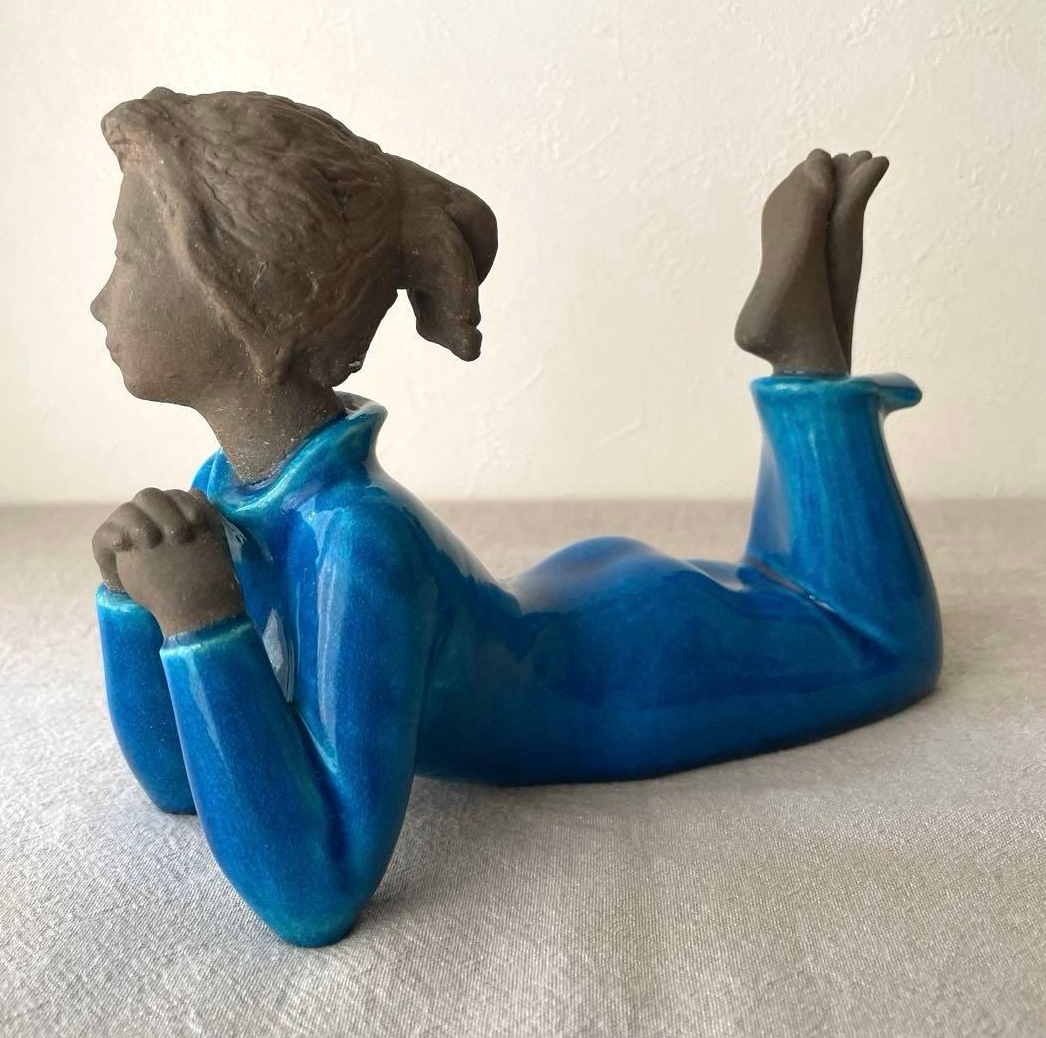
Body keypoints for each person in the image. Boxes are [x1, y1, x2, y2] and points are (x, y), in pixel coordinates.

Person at [91, 88, 941, 946]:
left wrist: (202, 626)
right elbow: (181, 782)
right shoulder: (228, 491)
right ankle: (809, 346)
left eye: (129, 258)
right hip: (573, 616)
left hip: (624, 668)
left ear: (247, 301)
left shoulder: (356, 543)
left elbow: (315, 888)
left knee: (872, 638)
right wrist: (133, 607)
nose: (100, 300)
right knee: (791, 595)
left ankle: (806, 360)